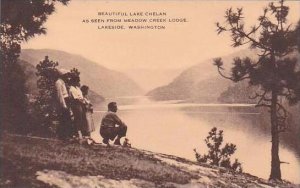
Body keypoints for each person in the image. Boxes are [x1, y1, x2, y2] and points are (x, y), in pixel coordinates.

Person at [55, 69, 73, 141]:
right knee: (64, 119)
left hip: (66, 101)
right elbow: (60, 95)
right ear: (62, 75)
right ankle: (62, 136)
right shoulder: (58, 82)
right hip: (63, 102)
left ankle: (65, 135)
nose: (67, 76)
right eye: (66, 75)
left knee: (66, 119)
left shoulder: (63, 82)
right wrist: (64, 105)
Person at [69, 75, 85, 140]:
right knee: (78, 119)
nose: (78, 82)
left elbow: (81, 97)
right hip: (76, 105)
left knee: (80, 119)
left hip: (80, 104)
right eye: (77, 81)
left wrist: (82, 101)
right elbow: (76, 99)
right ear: (73, 81)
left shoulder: (77, 88)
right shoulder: (72, 89)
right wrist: (82, 101)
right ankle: (77, 134)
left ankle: (78, 133)